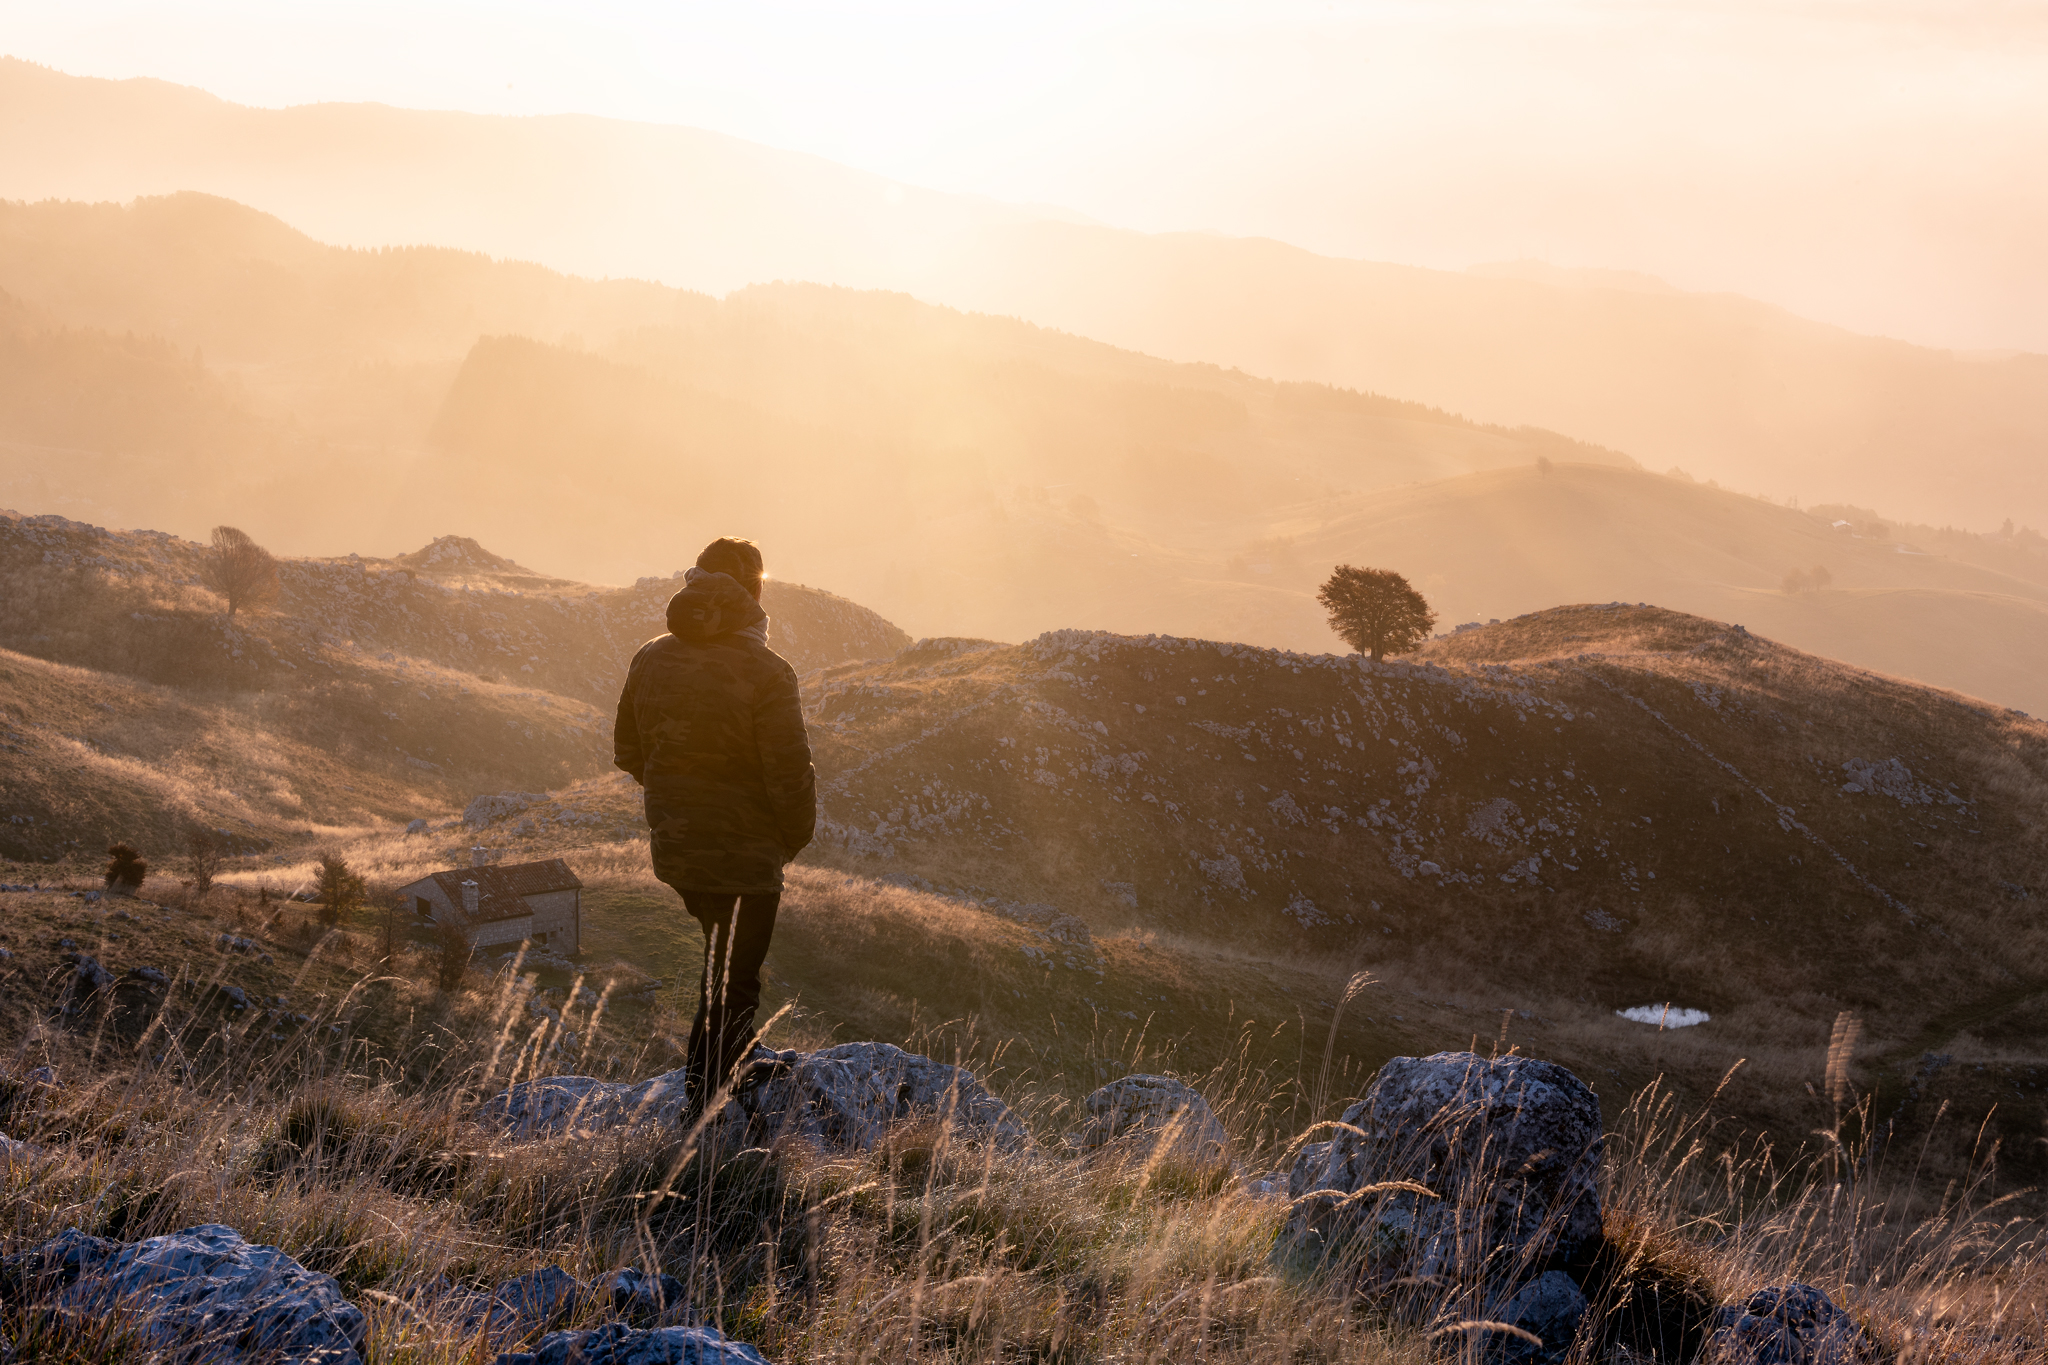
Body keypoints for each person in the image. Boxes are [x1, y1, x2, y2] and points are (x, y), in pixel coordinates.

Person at [613, 537, 816, 1121]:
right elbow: (789, 774)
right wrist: (789, 839)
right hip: (746, 854)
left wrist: (681, 798)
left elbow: (629, 751)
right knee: (733, 980)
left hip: (676, 846)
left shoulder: (650, 656)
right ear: (754, 592)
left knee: (719, 956)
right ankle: (705, 1109)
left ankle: (733, 1058)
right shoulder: (767, 671)